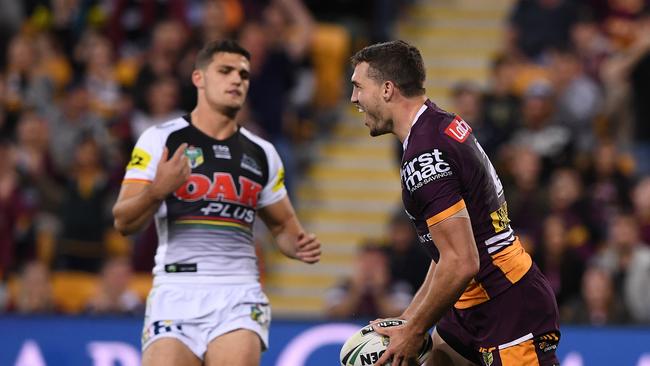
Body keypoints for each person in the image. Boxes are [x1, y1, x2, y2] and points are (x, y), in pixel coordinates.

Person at [349, 40, 560, 366]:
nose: (353, 98)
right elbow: (447, 249)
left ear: (387, 89)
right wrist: (409, 321)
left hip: (506, 307)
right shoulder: (438, 124)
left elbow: (462, 261)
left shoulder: (424, 156)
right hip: (474, 305)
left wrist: (415, 329)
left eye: (358, 87)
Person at [112, 40, 321, 366]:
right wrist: (157, 191)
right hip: (175, 288)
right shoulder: (160, 140)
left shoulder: (262, 152)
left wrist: (298, 245)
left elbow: (282, 226)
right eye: (225, 71)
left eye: (244, 74)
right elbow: (123, 221)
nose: (237, 80)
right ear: (198, 78)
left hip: (238, 292)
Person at [325, 242, 412, 319]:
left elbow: (400, 316)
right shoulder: (342, 286)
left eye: (375, 263)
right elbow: (334, 315)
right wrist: (356, 289)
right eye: (366, 263)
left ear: (386, 265)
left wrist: (379, 290)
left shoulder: (399, 286)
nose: (370, 268)